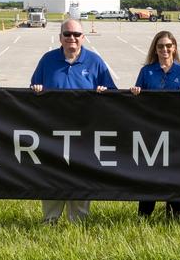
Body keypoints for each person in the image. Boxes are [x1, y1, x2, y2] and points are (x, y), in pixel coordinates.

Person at [30, 18, 117, 223]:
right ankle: (50, 219)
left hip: (83, 131)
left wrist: (104, 92)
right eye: (67, 34)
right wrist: (36, 90)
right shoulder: (48, 60)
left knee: (80, 174)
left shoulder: (94, 61)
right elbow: (33, 88)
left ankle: (78, 221)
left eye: (76, 34)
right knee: (52, 174)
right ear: (60, 37)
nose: (72, 38)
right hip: (53, 131)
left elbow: (112, 93)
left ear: (83, 37)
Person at [129, 30, 180, 218]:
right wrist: (135, 92)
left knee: (176, 173)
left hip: (176, 133)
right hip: (152, 133)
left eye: (168, 46)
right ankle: (144, 215)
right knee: (151, 174)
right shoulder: (146, 71)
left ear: (174, 48)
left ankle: (177, 215)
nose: (164, 49)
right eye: (160, 46)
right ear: (155, 49)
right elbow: (137, 101)